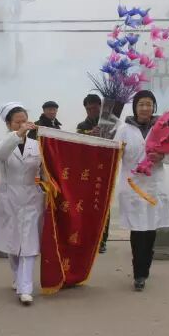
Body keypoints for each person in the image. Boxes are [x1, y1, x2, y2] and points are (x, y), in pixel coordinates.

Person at [114, 90, 169, 291]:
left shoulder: (162, 128)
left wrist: (162, 157)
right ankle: (139, 273)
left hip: (154, 185)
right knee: (138, 230)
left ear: (153, 107)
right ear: (135, 107)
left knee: (150, 230)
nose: (145, 108)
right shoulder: (123, 129)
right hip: (133, 186)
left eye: (148, 104)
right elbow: (114, 154)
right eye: (141, 104)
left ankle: (145, 266)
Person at [0, 102, 44, 306]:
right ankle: (17, 277)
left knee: (29, 245)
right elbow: (0, 153)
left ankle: (26, 288)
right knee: (13, 245)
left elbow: (45, 168)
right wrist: (18, 134)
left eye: (25, 121)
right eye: (17, 122)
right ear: (8, 124)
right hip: (9, 200)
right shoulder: (2, 143)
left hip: (32, 199)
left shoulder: (36, 145)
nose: (23, 125)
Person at [77, 94, 109, 254]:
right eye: (88, 108)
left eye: (94, 108)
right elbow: (78, 145)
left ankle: (102, 240)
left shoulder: (109, 124)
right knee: (87, 205)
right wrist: (90, 135)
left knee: (103, 204)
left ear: (100, 107)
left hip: (106, 169)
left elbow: (117, 142)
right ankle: (88, 238)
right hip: (88, 170)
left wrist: (104, 134)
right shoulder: (81, 125)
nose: (91, 111)